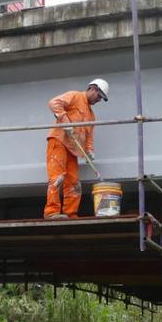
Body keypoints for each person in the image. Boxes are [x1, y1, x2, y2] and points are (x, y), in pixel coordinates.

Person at [43, 79, 109, 219]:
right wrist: (65, 120)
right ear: (92, 88)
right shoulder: (75, 96)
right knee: (57, 177)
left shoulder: (91, 115)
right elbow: (54, 103)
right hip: (59, 140)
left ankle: (70, 213)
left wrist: (89, 151)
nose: (98, 100)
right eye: (99, 96)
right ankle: (52, 212)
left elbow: (88, 135)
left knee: (73, 182)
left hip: (72, 149)